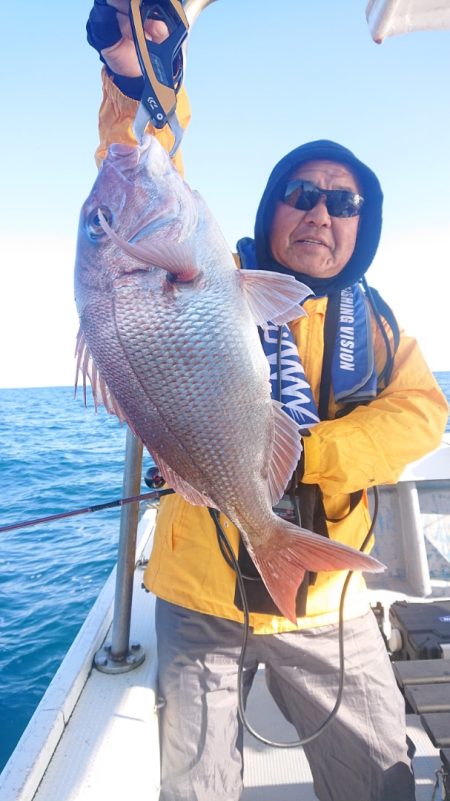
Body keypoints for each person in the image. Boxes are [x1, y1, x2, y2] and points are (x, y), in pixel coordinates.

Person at [86, 4, 449, 800]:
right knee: (198, 787)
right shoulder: (210, 270)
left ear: (363, 227)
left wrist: (304, 452)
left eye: (344, 203)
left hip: (330, 608)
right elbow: (138, 154)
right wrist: (133, 72)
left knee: (380, 782)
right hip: (195, 596)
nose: (321, 212)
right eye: (302, 192)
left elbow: (425, 410)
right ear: (270, 209)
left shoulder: (377, 324)